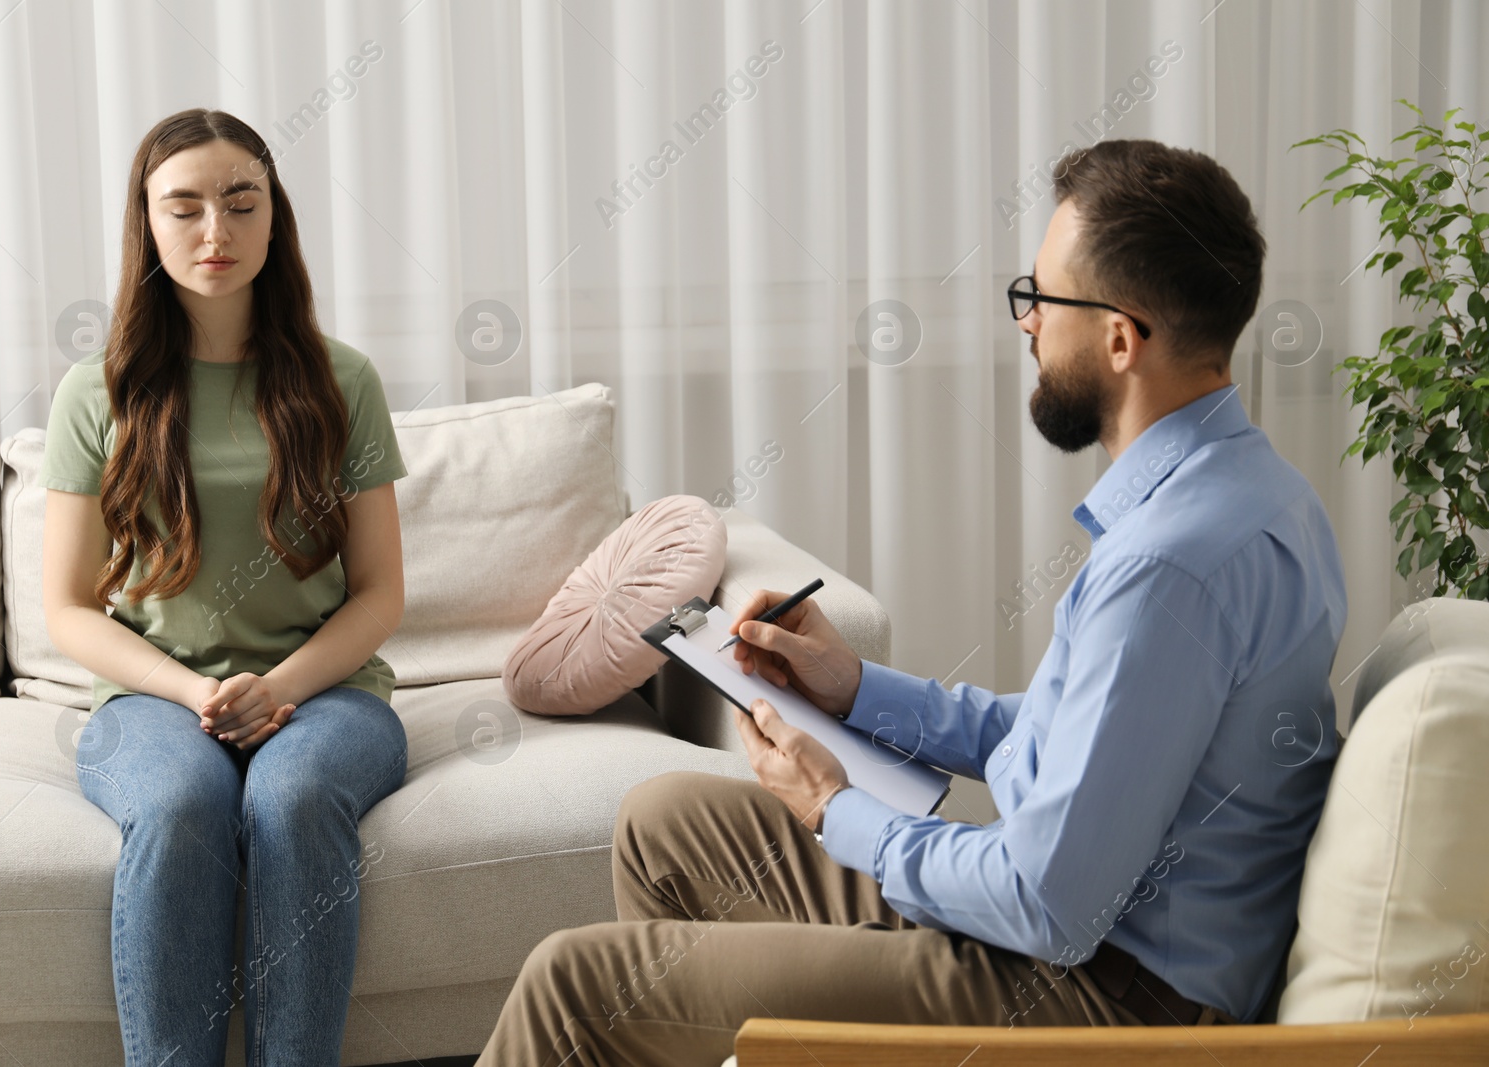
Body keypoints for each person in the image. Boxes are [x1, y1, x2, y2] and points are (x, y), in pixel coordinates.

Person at [475, 138, 1348, 1065]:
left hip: (1102, 996)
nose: (1028, 325)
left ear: (1121, 339)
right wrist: (853, 689)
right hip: (1092, 933)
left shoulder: (1166, 569)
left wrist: (836, 807)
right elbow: (1077, 739)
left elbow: (1046, 903)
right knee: (666, 826)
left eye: (1042, 299)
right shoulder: (1267, 494)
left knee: (574, 986)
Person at [39, 108, 411, 1066]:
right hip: (154, 697)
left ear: (274, 218)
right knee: (178, 806)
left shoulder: (343, 380)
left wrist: (279, 687)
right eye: (186, 207)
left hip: (328, 693)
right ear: (147, 224)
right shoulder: (99, 389)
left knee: (286, 802)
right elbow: (68, 607)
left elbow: (377, 593)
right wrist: (194, 691)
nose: (216, 232)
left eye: (242, 203)